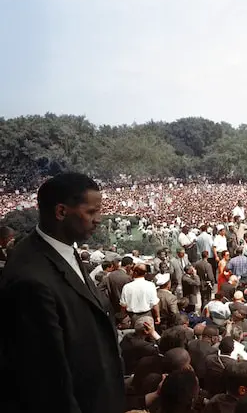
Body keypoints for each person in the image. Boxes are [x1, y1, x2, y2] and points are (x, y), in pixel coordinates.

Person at [0, 173, 125, 413]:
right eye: (91, 212)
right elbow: (47, 381)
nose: (99, 219)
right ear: (61, 212)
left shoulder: (61, 248)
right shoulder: (31, 278)